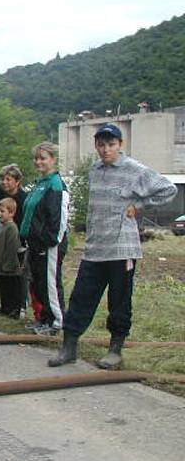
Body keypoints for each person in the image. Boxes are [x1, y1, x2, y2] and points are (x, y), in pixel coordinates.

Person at [49, 124, 177, 368]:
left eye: (111, 144)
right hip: (95, 248)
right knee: (80, 298)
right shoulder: (95, 169)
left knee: (119, 301)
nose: (106, 149)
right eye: (101, 144)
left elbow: (168, 190)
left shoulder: (134, 169)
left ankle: (115, 350)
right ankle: (69, 347)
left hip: (122, 249)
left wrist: (139, 205)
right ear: (96, 145)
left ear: (120, 145)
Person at [20, 142, 69, 336]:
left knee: (50, 283)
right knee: (39, 283)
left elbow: (58, 219)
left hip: (49, 246)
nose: (38, 161)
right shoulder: (40, 184)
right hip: (34, 244)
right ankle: (44, 318)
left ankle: (57, 322)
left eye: (43, 158)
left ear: (53, 159)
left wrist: (49, 242)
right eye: (36, 158)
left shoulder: (56, 185)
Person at [0, 198, 23, 318]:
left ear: (11, 213)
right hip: (0, 268)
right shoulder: (1, 227)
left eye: (2, 211)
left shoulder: (11, 228)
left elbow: (12, 249)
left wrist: (8, 266)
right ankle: (5, 309)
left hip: (8, 269)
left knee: (11, 291)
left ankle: (12, 310)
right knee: (3, 290)